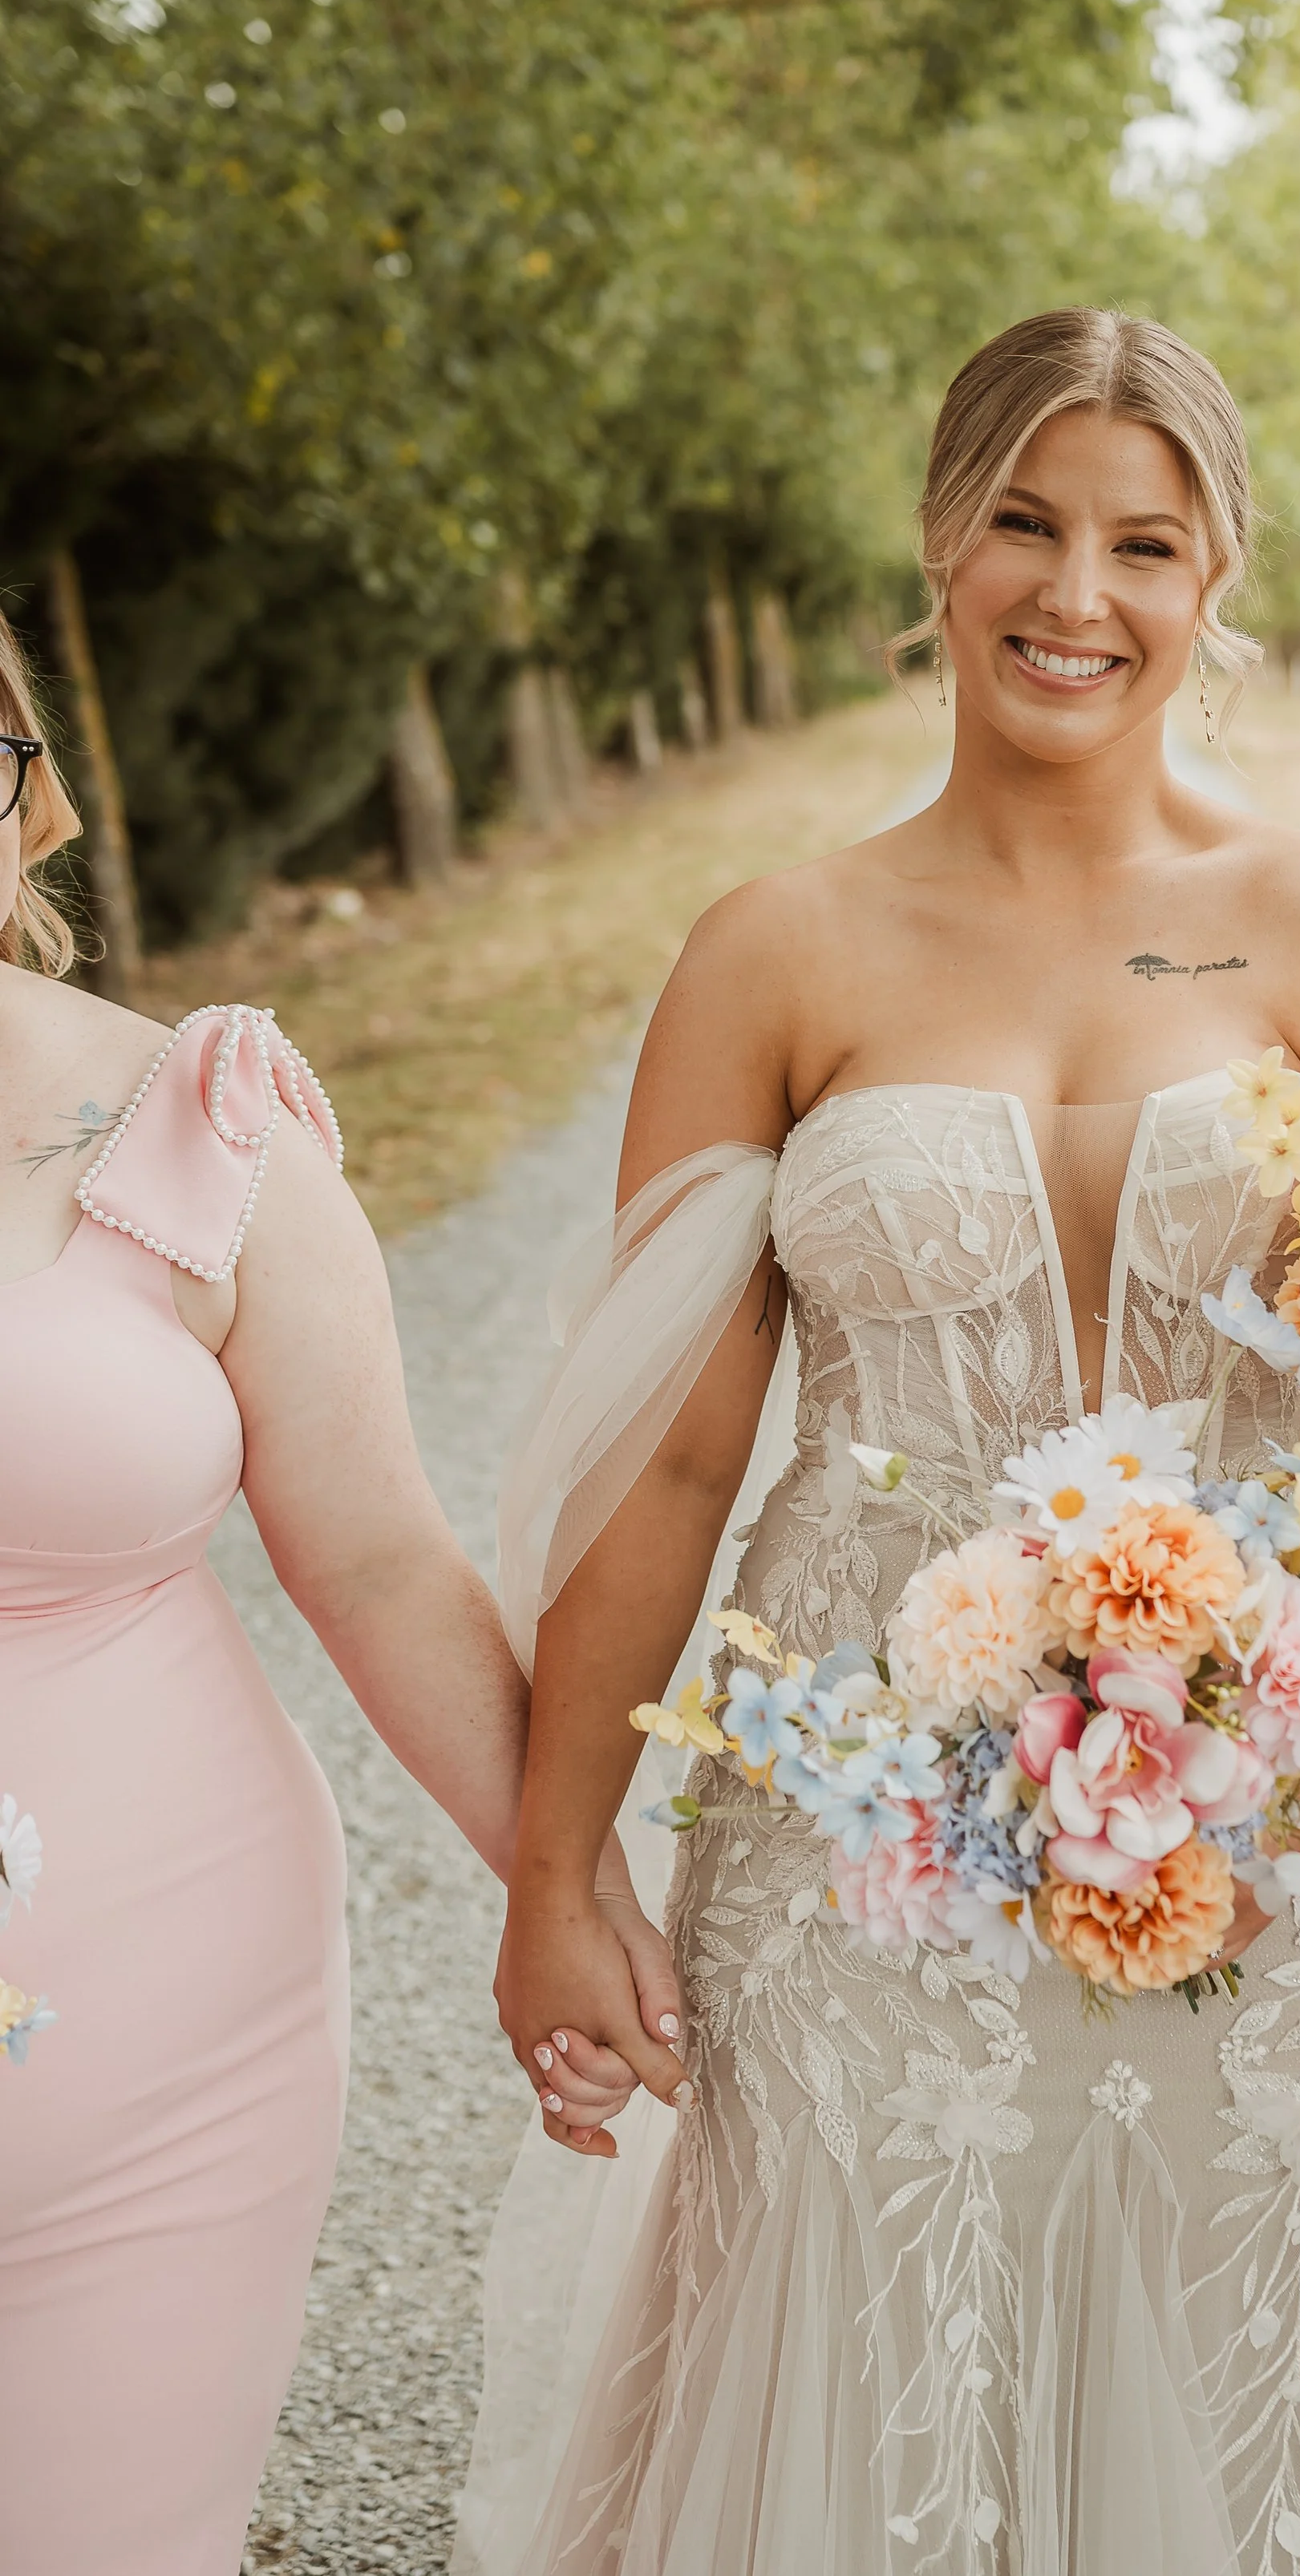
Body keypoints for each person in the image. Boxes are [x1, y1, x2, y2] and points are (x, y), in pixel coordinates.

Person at [460, 307, 1300, 2576]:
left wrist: (1296, 1805)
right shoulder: (776, 950)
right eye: (1024, 525)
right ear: (939, 541)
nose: (1076, 592)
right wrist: (558, 1876)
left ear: (1215, 571)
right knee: (876, 2375)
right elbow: (670, 1464)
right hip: (861, 1833)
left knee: (1249, 2380)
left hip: (1288, 1829)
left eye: (1142, 542)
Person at [0, 611, 658, 2576]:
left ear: (29, 799)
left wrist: (569, 1892)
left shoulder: (193, 1122)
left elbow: (375, 1565)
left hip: (151, 2053)